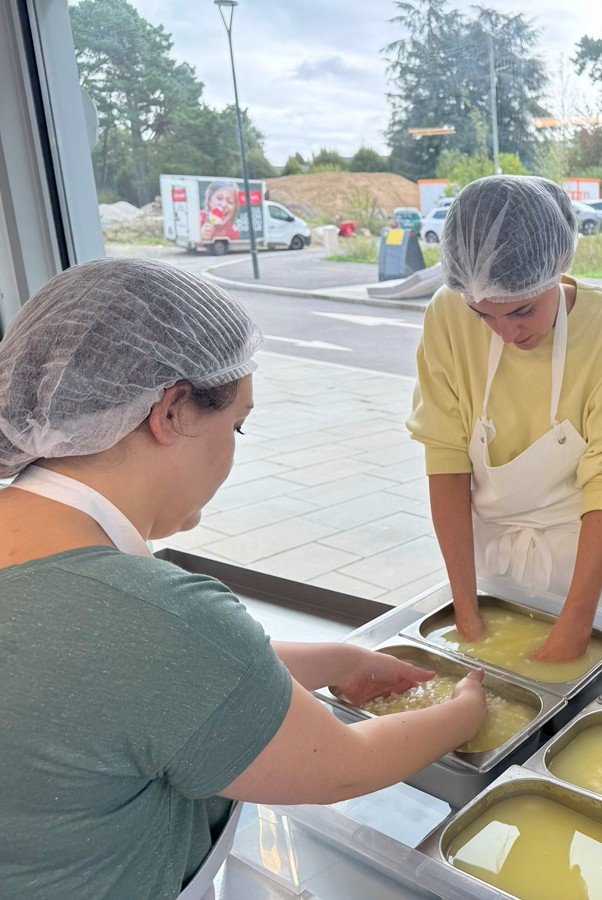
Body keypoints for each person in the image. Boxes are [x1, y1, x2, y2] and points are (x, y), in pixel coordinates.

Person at [0, 259, 487, 900]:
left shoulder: (50, 556)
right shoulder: (160, 618)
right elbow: (341, 766)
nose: (234, 448)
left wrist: (337, 659)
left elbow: (120, 678)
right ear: (171, 410)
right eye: (237, 424)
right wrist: (464, 714)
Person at [408, 176, 602, 662]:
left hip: (587, 571)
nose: (505, 332)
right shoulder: (447, 316)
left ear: (559, 267)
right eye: (485, 316)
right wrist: (465, 608)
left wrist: (574, 626)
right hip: (489, 567)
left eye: (522, 310)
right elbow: (446, 460)